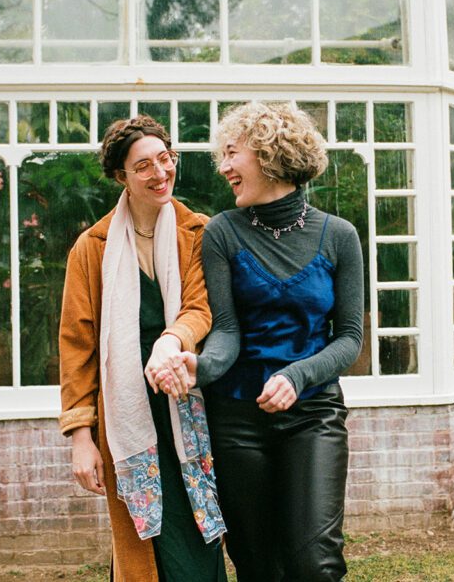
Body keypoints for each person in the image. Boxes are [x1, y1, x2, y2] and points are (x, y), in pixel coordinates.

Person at [156, 102, 363, 581]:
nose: (223, 166)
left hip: (313, 416)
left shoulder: (339, 236)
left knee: (315, 562)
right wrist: (198, 367)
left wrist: (297, 374)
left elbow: (349, 339)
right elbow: (227, 332)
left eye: (232, 153)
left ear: (270, 152)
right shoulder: (223, 232)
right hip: (236, 420)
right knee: (255, 561)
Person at [58, 115, 227, 582]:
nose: (160, 174)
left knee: (198, 536)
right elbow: (77, 347)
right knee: (140, 544)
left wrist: (172, 342)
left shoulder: (200, 233)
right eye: (144, 166)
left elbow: (200, 307)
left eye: (165, 159)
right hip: (126, 420)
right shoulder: (91, 249)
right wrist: (80, 437)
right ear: (122, 177)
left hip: (190, 408)